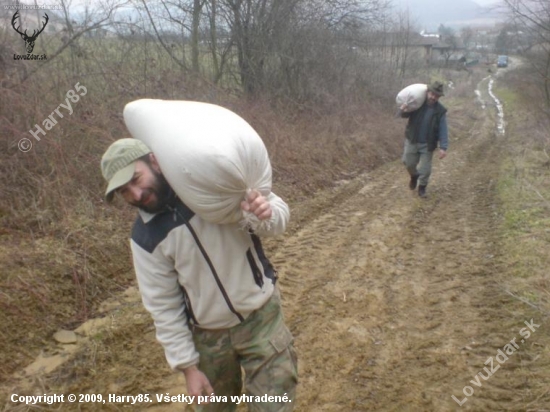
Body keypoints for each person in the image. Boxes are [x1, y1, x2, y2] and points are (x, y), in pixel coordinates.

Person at [100, 138, 297, 411]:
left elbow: (278, 215)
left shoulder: (210, 182)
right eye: (124, 191)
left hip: (262, 320)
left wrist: (266, 212)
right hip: (208, 339)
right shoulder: (145, 238)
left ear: (155, 162)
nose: (135, 194)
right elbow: (163, 305)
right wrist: (188, 368)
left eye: (136, 179)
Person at [399, 81, 448, 198]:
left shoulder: (440, 111)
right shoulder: (417, 104)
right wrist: (403, 109)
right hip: (412, 140)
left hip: (428, 144)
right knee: (408, 162)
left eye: (436, 96)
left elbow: (443, 128)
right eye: (432, 94)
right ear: (427, 92)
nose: (433, 97)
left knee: (425, 169)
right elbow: (404, 115)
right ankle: (414, 176)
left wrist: (443, 147)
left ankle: (422, 188)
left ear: (439, 97)